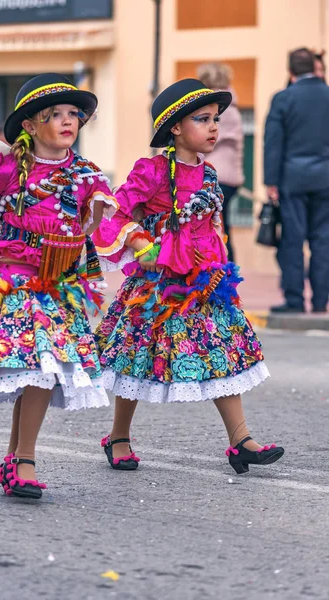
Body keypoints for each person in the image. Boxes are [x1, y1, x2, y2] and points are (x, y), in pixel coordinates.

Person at [93, 79, 284, 475]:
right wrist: (142, 244)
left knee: (221, 354)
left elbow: (213, 227)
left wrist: (223, 273)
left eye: (216, 119)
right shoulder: (153, 170)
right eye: (202, 119)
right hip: (159, 285)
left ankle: (241, 440)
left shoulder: (210, 174)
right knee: (137, 358)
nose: (214, 127)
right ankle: (118, 436)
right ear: (175, 128)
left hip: (206, 284)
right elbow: (116, 211)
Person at [0, 73, 117, 499]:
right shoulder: (8, 167)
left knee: (39, 368)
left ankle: (13, 458)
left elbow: (102, 216)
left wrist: (96, 226)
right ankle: (24, 461)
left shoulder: (85, 172)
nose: (67, 121)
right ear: (29, 125)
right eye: (54, 114)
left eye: (73, 114)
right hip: (18, 281)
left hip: (61, 283)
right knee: (40, 368)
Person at [264, 48, 329, 313]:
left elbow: (273, 143)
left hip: (292, 179)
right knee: (323, 240)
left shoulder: (283, 98)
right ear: (315, 67)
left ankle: (294, 299)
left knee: (293, 239)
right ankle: (320, 300)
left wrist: (271, 181)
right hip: (325, 178)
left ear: (290, 72)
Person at [197, 62, 244, 262]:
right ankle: (226, 268)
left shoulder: (217, 111)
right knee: (222, 225)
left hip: (215, 175)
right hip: (231, 177)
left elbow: (206, 143)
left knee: (216, 227)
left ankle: (223, 269)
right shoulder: (234, 110)